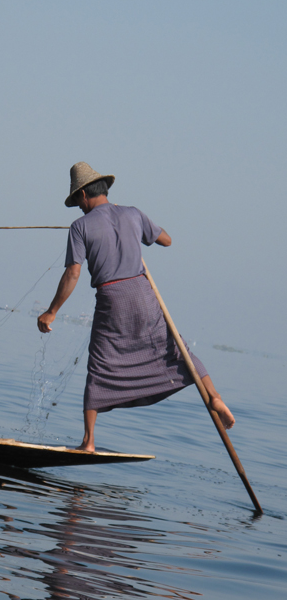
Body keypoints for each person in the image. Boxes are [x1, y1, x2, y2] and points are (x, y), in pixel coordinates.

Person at [37, 162, 235, 452]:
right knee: (177, 348)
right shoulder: (132, 213)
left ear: (82, 195)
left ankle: (89, 441)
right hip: (143, 293)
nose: (77, 209)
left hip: (112, 296)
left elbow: (73, 273)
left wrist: (52, 310)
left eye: (77, 202)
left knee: (101, 362)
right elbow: (166, 240)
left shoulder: (80, 227)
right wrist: (138, 226)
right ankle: (214, 395)